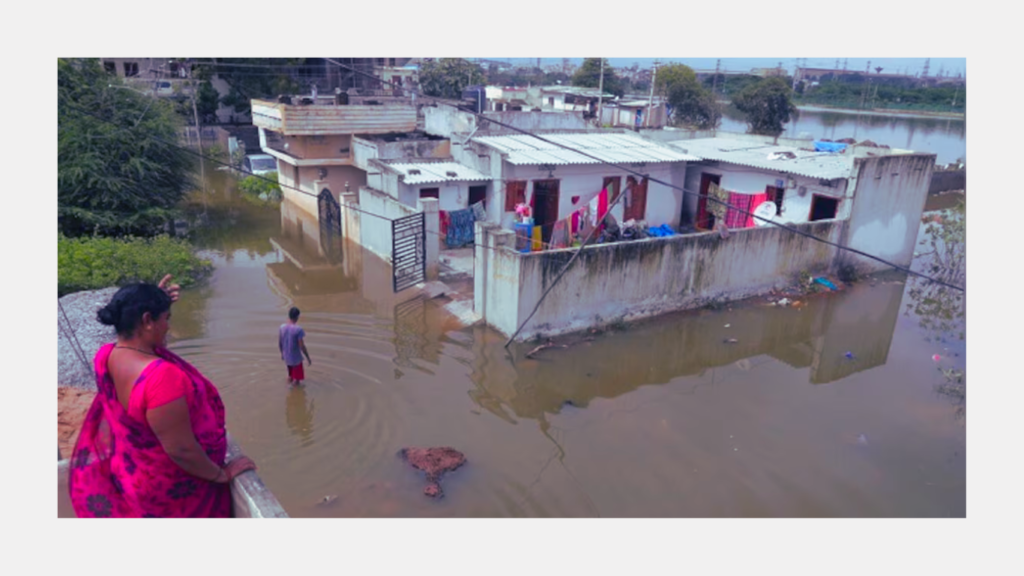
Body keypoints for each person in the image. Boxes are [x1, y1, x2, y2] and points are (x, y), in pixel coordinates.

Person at [69, 275, 257, 518]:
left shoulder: (106, 356)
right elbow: (181, 450)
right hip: (171, 491)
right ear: (147, 320)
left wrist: (155, 302)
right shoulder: (162, 378)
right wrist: (221, 475)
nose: (168, 326)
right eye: (166, 319)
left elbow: (140, 343)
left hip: (133, 475)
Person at [279, 306, 311, 385]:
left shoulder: (282, 327)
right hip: (296, 359)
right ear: (297, 317)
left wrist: (282, 354)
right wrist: (308, 358)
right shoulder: (298, 329)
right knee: (297, 380)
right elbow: (302, 346)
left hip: (287, 357)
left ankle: (287, 388)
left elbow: (280, 342)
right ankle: (294, 394)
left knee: (290, 375)